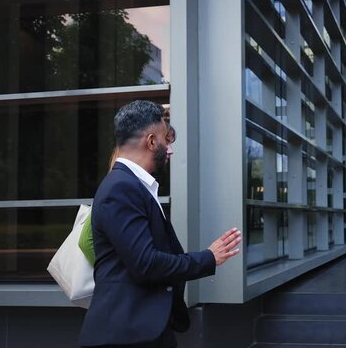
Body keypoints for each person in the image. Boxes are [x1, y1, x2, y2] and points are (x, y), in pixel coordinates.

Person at [79, 100, 241, 348]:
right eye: (167, 140)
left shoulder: (132, 186)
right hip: (127, 335)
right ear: (152, 141)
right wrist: (208, 257)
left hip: (145, 329)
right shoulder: (122, 188)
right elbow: (146, 264)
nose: (170, 150)